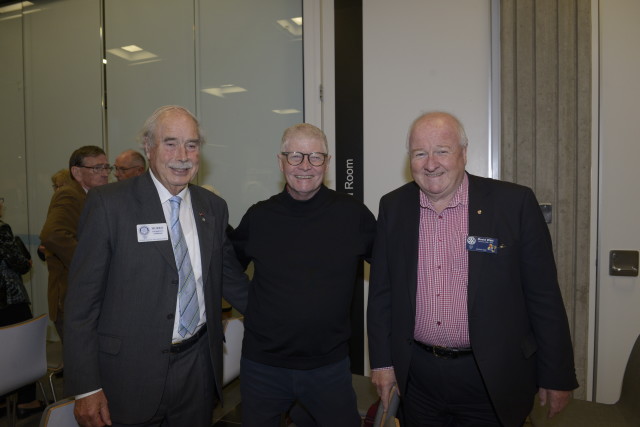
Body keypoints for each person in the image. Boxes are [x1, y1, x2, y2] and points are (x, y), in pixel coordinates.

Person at [367, 112, 578, 427]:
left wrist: (556, 374)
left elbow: (544, 295)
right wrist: (383, 364)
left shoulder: (513, 204)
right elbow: (381, 293)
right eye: (419, 153)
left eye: (442, 151)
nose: (430, 163)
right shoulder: (393, 207)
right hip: (419, 377)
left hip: (490, 377)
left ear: (464, 153)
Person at [63, 105, 249, 427]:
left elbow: (231, 279)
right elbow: (81, 304)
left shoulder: (212, 207)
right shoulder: (109, 204)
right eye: (170, 143)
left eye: (192, 145)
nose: (183, 156)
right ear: (148, 148)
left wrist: (287, 324)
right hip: (129, 374)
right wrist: (86, 387)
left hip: (197, 368)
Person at [230, 123, 376, 426]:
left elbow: (391, 270)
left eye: (315, 157)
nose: (305, 166)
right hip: (263, 367)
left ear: (327, 162)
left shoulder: (353, 215)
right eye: (295, 156)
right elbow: (226, 267)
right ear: (281, 161)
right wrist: (252, 305)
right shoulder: (259, 216)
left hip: (329, 368)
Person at [40, 146, 110, 341]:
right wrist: (92, 265)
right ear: (77, 172)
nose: (105, 173)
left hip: (88, 297)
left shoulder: (95, 196)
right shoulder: (69, 194)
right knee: (81, 356)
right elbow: (53, 234)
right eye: (97, 168)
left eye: (107, 167)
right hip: (72, 297)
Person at [0, 197, 44, 419]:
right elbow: (16, 261)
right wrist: (26, 263)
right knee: (24, 348)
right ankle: (27, 401)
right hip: (9, 299)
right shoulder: (1, 229)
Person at [38, 169, 74, 262]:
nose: (57, 190)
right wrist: (43, 249)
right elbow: (47, 238)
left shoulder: (76, 207)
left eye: (61, 186)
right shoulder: (55, 207)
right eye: (56, 186)